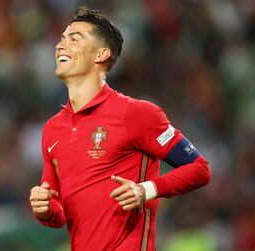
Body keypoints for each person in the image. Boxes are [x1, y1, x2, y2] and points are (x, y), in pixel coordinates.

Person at [29, 6, 211, 251]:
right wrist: (44, 208)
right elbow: (59, 213)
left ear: (101, 54)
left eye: (74, 38)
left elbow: (199, 169)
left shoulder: (137, 113)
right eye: (61, 39)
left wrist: (147, 189)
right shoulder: (52, 129)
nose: (60, 45)